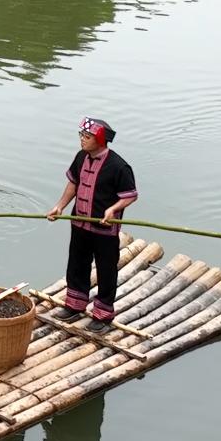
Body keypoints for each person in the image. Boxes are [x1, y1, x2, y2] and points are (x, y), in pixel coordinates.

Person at [46, 117, 137, 323]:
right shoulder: (81, 157)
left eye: (87, 137)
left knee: (106, 270)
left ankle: (102, 315)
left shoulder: (119, 166)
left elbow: (130, 195)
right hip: (79, 223)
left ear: (100, 140)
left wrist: (113, 209)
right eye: (82, 135)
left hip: (104, 229)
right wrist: (60, 206)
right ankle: (75, 305)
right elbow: (73, 183)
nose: (82, 139)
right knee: (77, 264)